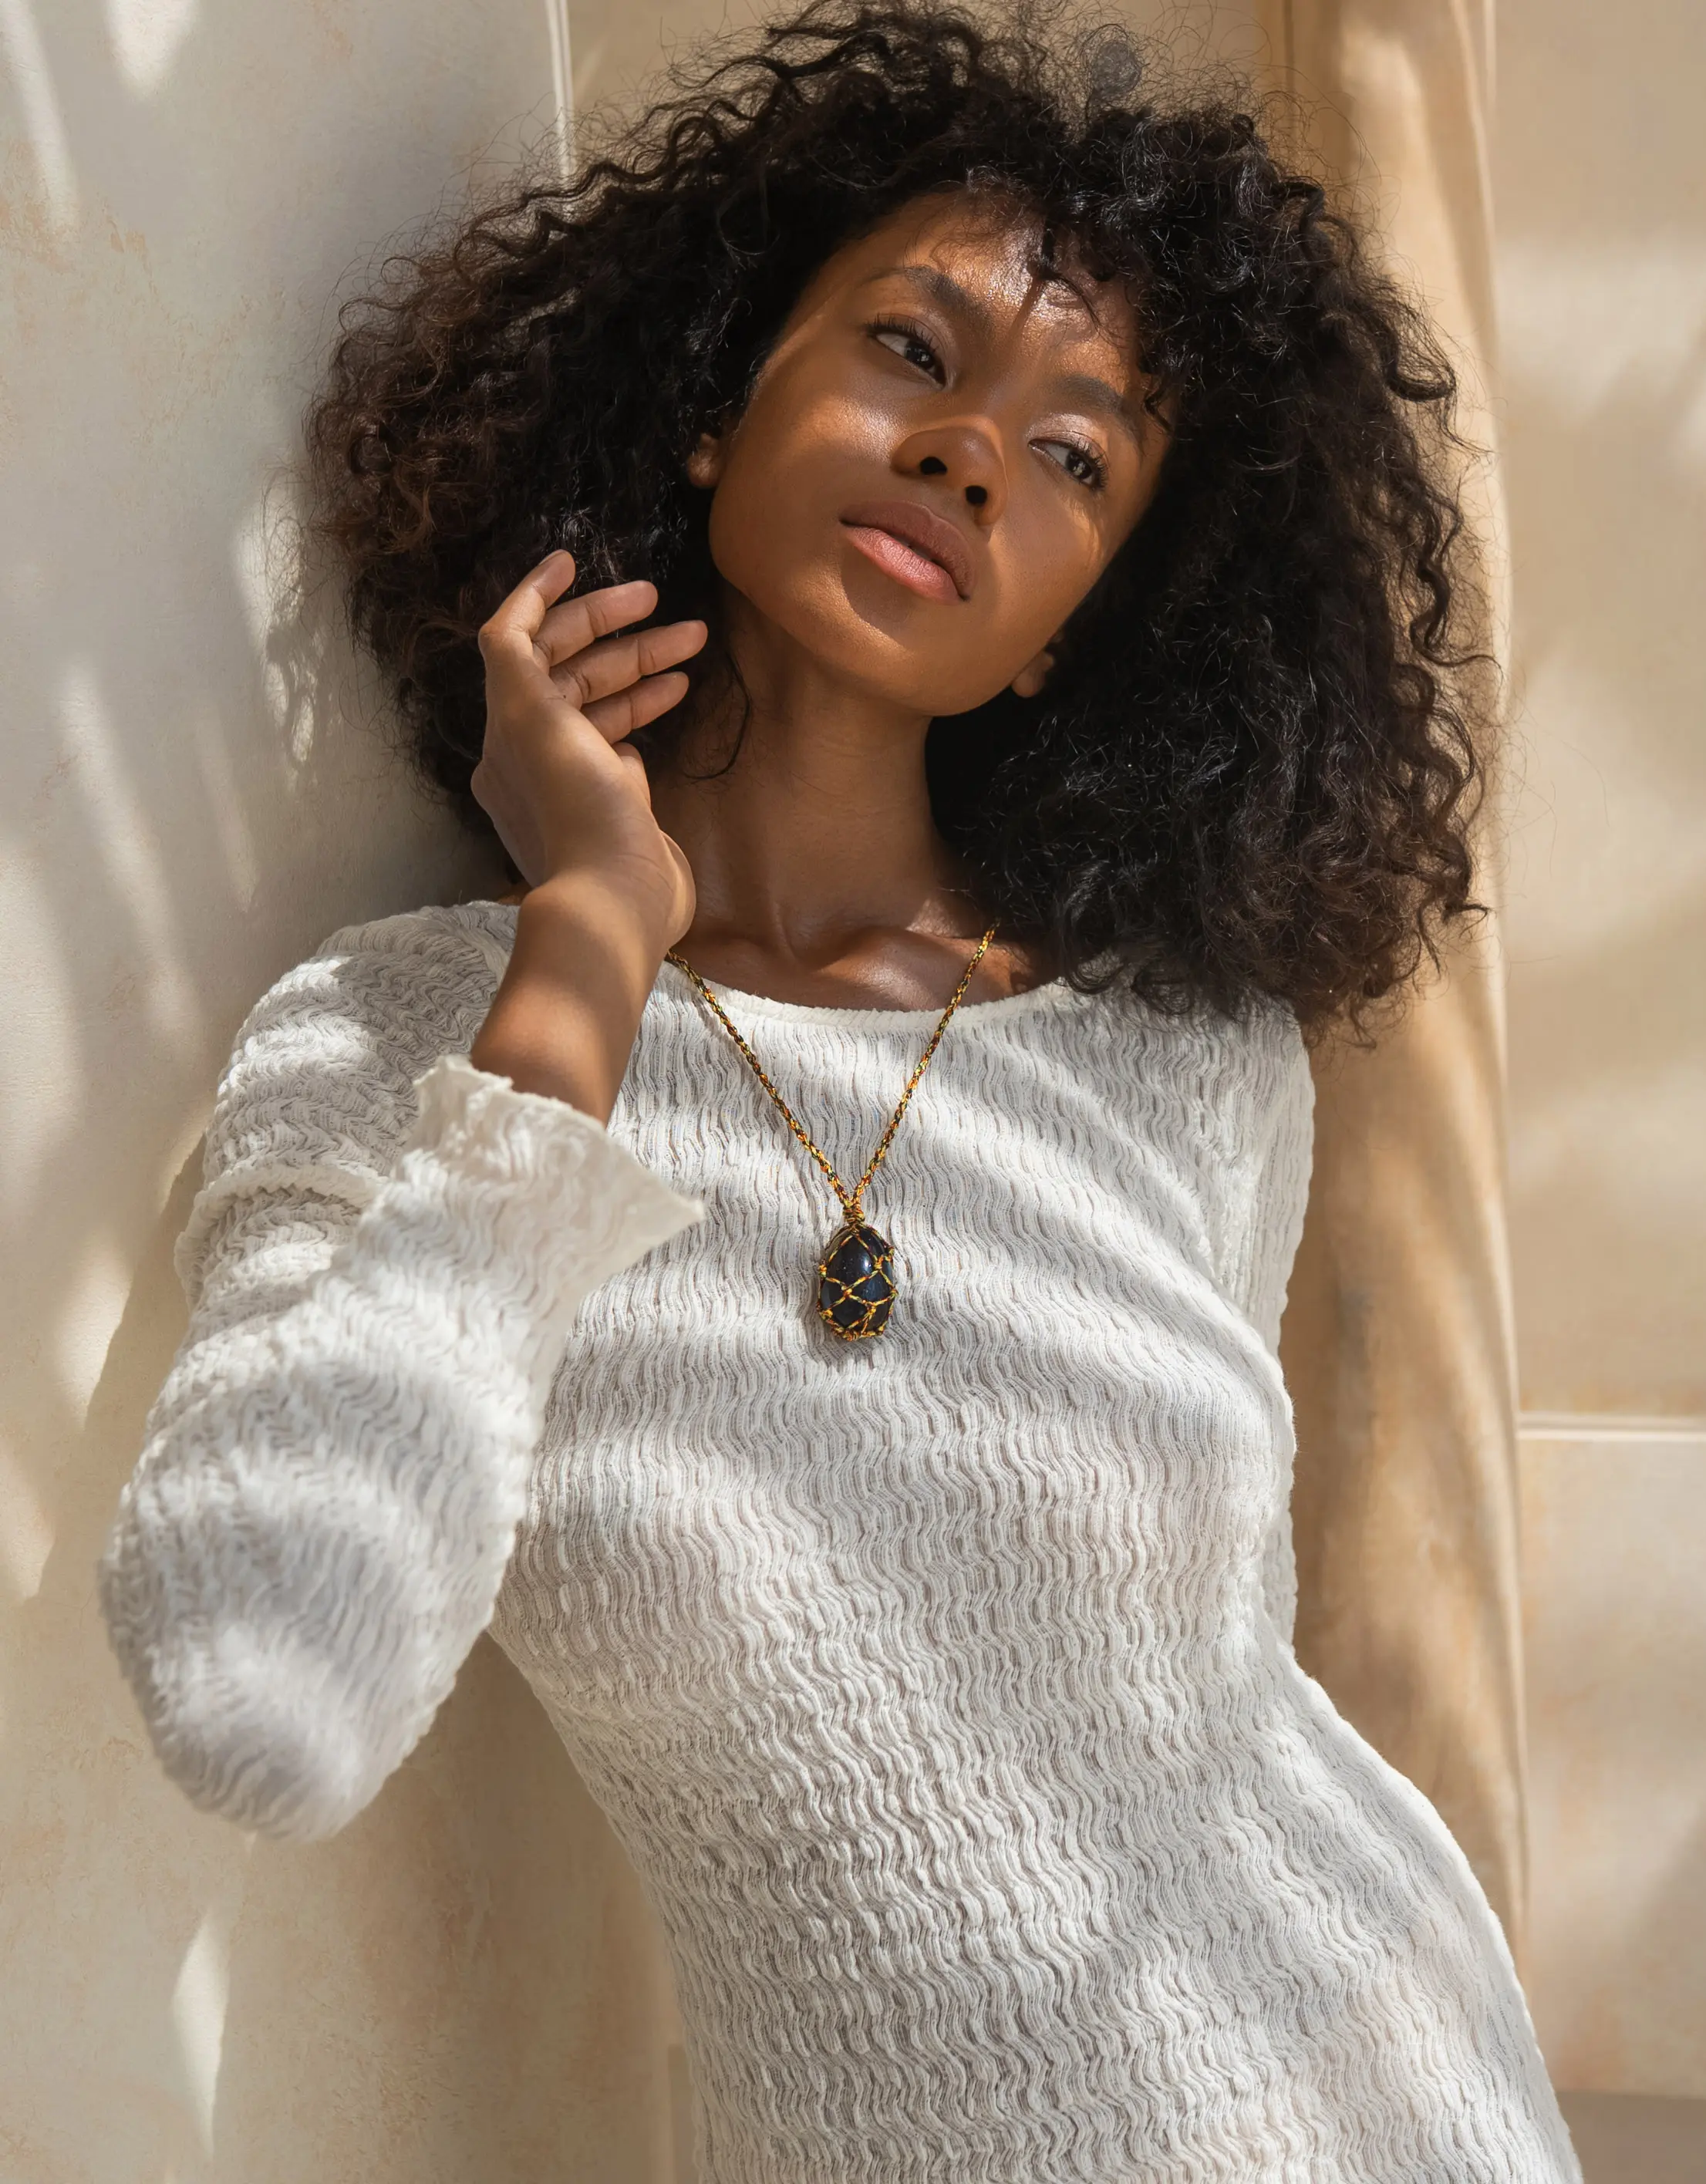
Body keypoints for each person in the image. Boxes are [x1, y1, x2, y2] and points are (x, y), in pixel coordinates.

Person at [98, 5, 1579, 2177]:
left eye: (1077, 457)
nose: (979, 450)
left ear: (1071, 629)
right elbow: (262, 1698)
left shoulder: (1184, 1063)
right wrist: (589, 947)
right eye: (913, 350)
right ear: (715, 409)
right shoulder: (401, 1046)